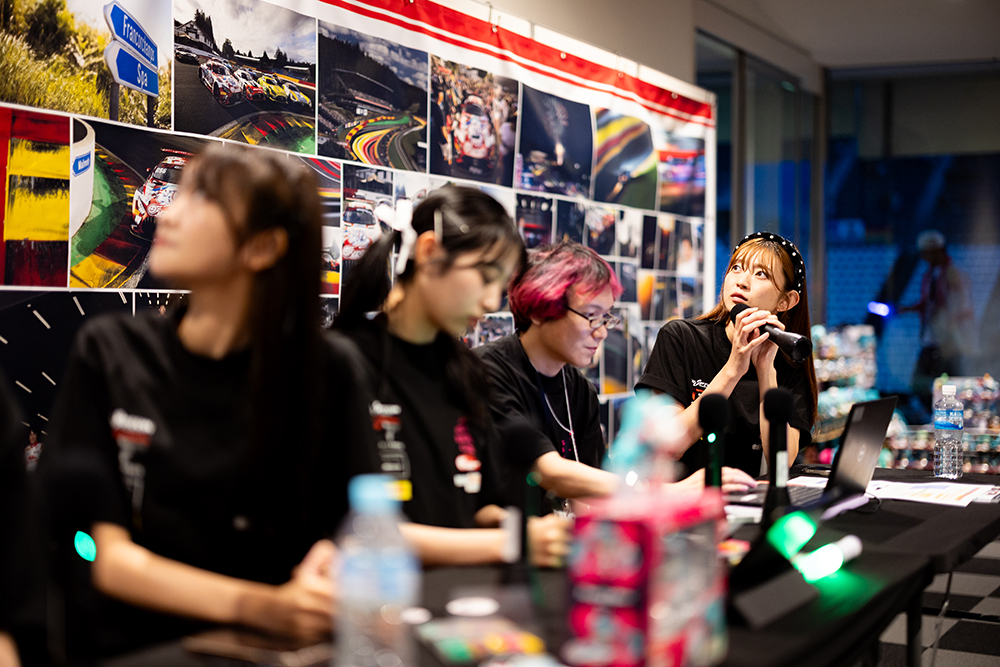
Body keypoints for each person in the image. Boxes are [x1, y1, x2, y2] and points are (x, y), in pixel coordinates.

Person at [42, 143, 380, 660]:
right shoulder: (112, 351)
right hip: (139, 649)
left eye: (202, 199)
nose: (171, 211)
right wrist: (261, 606)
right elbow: (105, 557)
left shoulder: (329, 370)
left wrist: (335, 561)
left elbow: (364, 524)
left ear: (262, 247)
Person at [335, 185, 569, 567]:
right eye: (485, 276)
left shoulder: (466, 372)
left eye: (501, 286)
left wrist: (534, 530)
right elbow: (355, 529)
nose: (491, 302)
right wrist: (510, 542)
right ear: (430, 252)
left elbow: (477, 505)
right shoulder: (345, 362)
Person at [476, 241, 756, 508]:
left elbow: (592, 494)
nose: (602, 332)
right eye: (591, 316)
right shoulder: (487, 371)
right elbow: (548, 470)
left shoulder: (579, 389)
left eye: (606, 318)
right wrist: (666, 492)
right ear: (540, 308)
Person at [636, 232, 817, 478]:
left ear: (786, 301)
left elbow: (780, 462)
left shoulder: (787, 360)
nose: (741, 281)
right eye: (736, 268)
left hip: (746, 498)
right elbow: (670, 446)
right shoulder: (680, 337)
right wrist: (734, 368)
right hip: (682, 496)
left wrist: (765, 369)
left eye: (761, 274)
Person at [901, 230, 977, 410]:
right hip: (933, 339)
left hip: (948, 341)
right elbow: (929, 303)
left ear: (937, 251)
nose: (924, 257)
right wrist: (909, 309)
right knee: (923, 383)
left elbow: (961, 307)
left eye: (927, 253)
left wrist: (950, 327)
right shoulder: (930, 275)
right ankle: (936, 416)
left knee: (950, 384)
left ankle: (952, 418)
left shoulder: (954, 274)